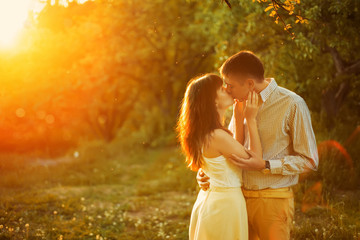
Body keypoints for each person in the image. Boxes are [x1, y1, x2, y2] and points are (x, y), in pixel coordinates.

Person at [197, 51, 319, 240]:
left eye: (229, 85)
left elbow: (310, 161)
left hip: (271, 202)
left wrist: (266, 165)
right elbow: (230, 149)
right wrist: (208, 171)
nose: (227, 90)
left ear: (250, 84)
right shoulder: (238, 104)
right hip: (237, 200)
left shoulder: (291, 104)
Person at [177, 73, 262, 240]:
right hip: (224, 207)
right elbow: (256, 160)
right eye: (222, 89)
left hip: (213, 202)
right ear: (213, 101)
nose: (228, 90)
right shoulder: (217, 136)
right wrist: (250, 119)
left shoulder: (206, 133)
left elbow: (232, 153)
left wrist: (238, 117)